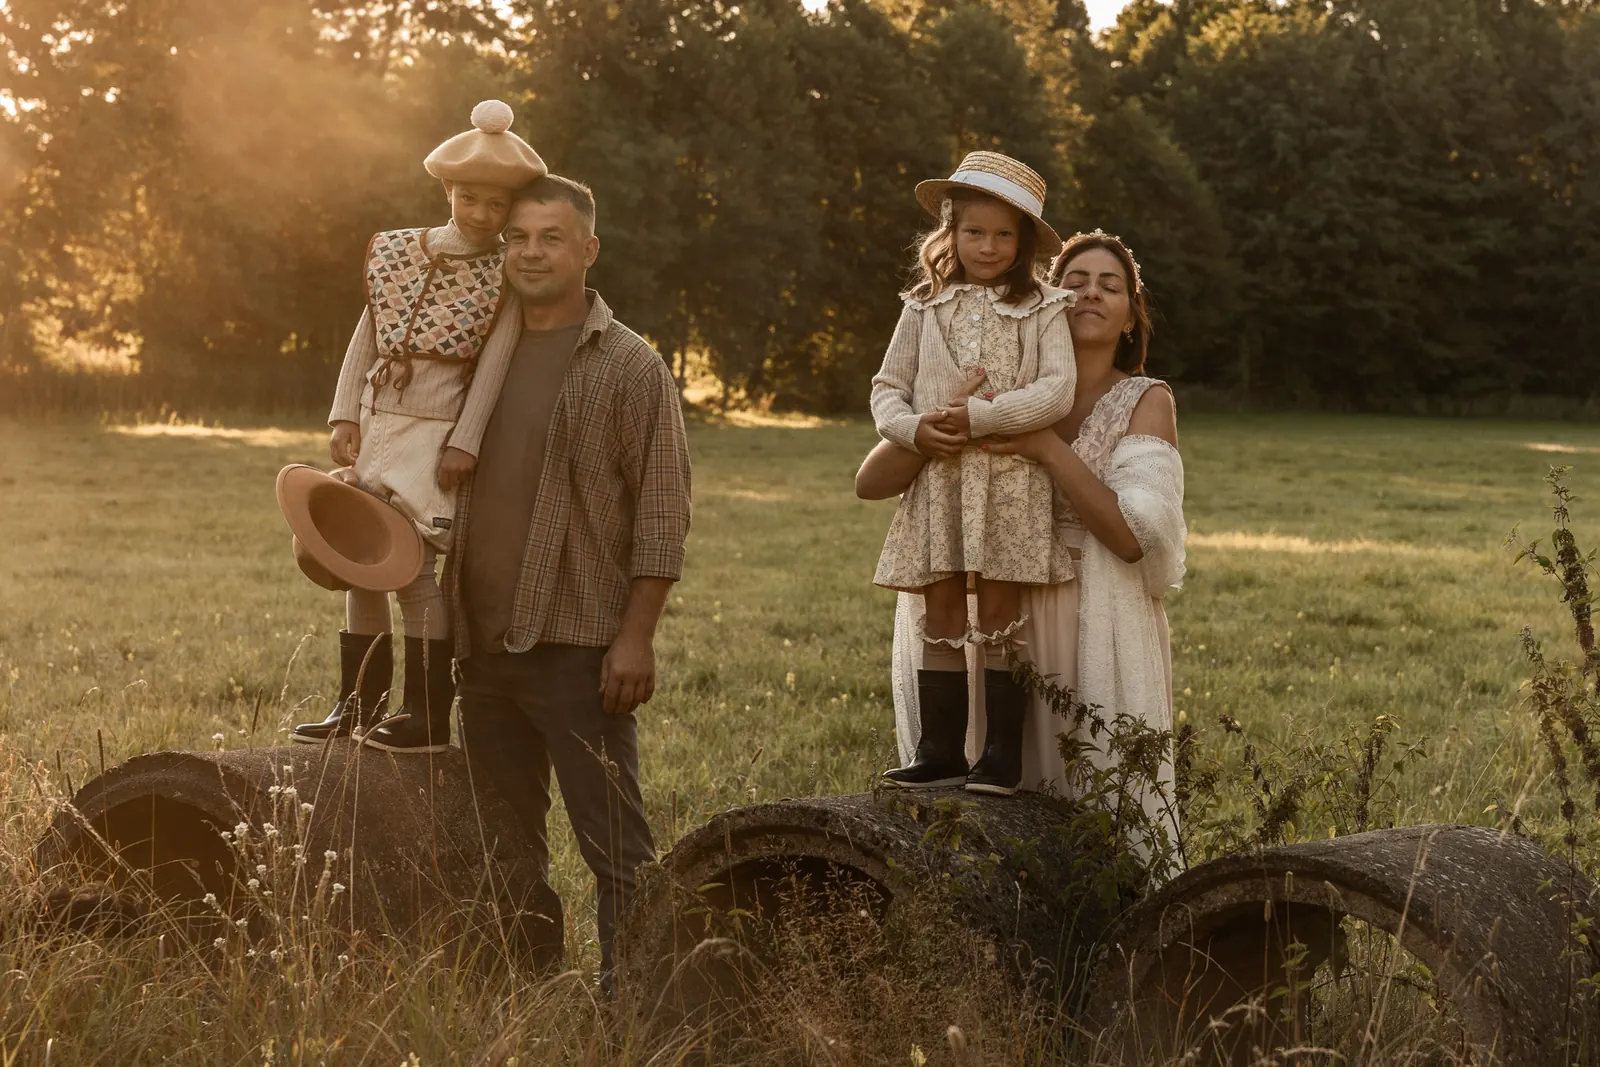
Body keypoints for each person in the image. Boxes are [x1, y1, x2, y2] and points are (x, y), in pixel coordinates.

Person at [857, 230, 1186, 849]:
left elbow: (1131, 538)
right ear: (1040, 300)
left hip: (1088, 619)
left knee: (1087, 804)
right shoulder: (990, 387)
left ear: (1129, 317)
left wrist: (1044, 447)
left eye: (1109, 285)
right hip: (985, 618)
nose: (1089, 293)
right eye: (1075, 281)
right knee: (982, 818)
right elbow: (871, 481)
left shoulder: (1145, 400)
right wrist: (932, 427)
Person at [446, 175, 692, 976]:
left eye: (550, 237)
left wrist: (635, 638)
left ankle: (639, 1001)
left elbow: (662, 511)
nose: (529, 251)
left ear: (587, 250)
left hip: (579, 647)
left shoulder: (628, 365)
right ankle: (521, 985)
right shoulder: (482, 350)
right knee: (502, 843)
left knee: (616, 844)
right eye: (516, 237)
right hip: (481, 643)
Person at [291, 100, 546, 754]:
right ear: (447, 190)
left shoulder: (504, 276)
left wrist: (466, 439)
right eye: (469, 199)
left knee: (411, 571)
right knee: (359, 562)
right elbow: (368, 331)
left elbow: (492, 365)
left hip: (435, 437)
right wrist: (345, 409)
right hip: (378, 425)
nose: (483, 215)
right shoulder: (400, 253)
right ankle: (357, 706)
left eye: (497, 205)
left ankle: (426, 715)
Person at [869, 151, 1078, 796]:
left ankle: (1000, 757)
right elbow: (887, 388)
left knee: (998, 612)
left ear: (1023, 243)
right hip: (939, 483)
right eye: (974, 232)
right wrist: (915, 429)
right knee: (939, 607)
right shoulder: (923, 306)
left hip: (1008, 483)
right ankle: (940, 752)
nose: (987, 247)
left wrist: (983, 418)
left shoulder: (1043, 306)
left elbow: (1058, 389)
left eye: (1003, 234)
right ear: (951, 233)